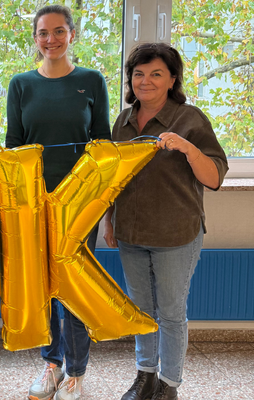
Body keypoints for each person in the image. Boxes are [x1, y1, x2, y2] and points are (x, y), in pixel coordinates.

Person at [103, 43, 228, 400]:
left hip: (176, 234)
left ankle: (169, 384)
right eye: (138, 74)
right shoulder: (123, 121)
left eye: (156, 74)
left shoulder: (190, 119)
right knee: (141, 311)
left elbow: (214, 177)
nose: (146, 81)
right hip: (131, 232)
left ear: (172, 79)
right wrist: (109, 221)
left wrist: (188, 148)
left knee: (171, 313)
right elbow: (114, 177)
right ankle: (145, 376)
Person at [5, 5, 111, 400]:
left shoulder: (92, 81)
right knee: (44, 290)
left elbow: (102, 146)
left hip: (80, 206)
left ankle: (76, 371)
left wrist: (101, 204)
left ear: (72, 34)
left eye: (59, 31)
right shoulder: (20, 84)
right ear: (35, 38)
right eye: (43, 33)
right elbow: (15, 147)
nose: (51, 39)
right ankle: (51, 364)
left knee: (76, 289)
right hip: (34, 206)